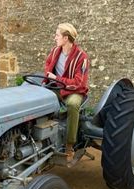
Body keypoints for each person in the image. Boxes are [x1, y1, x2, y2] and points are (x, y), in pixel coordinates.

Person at [44, 22, 89, 164]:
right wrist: (51, 80)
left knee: (73, 104)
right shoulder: (54, 51)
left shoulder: (82, 57)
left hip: (73, 91)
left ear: (66, 38)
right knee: (40, 100)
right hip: (56, 88)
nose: (54, 38)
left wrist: (56, 79)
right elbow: (47, 69)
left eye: (57, 35)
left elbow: (78, 82)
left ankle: (70, 145)